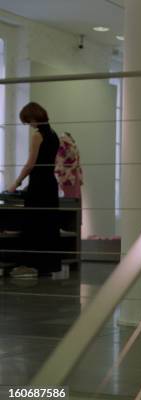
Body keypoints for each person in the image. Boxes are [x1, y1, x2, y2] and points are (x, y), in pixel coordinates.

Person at [8, 102, 60, 277]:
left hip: (39, 185)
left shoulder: (38, 135)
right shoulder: (54, 135)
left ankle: (29, 264)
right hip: (50, 184)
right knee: (48, 225)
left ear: (33, 118)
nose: (28, 125)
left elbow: (31, 164)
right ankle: (46, 266)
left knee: (33, 224)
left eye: (28, 121)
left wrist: (16, 182)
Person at [55, 132, 83, 199]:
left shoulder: (72, 148)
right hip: (65, 178)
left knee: (71, 199)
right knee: (68, 200)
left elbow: (76, 163)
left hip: (70, 177)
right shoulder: (61, 149)